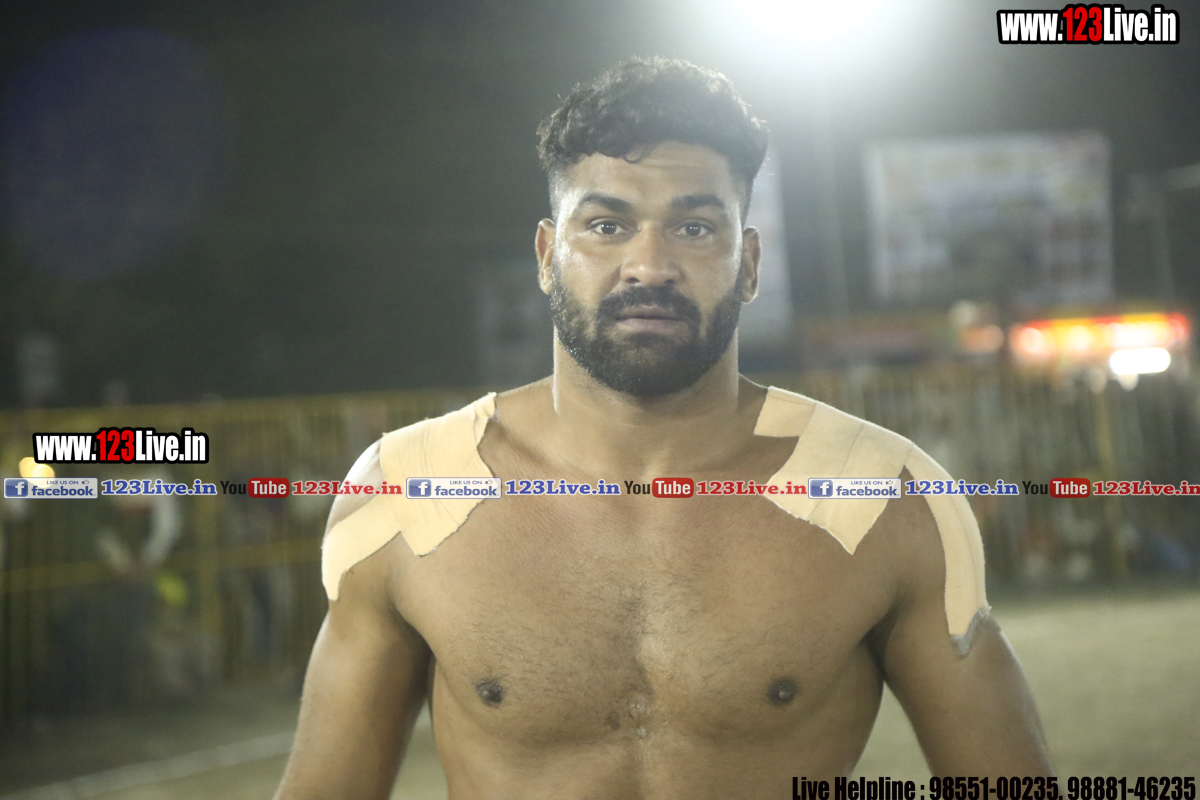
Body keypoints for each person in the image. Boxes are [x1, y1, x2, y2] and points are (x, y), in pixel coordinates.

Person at [275, 58, 1052, 798]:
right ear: (547, 255)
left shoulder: (886, 496)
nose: (649, 265)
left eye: (694, 228)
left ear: (749, 264)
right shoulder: (406, 492)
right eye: (606, 225)